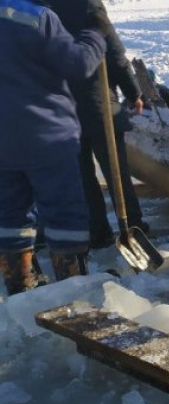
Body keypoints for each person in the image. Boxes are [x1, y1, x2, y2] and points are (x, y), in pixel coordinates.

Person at [0, 0, 107, 295]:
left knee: (10, 217)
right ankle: (72, 297)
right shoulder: (35, 18)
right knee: (64, 216)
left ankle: (20, 294)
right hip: (46, 136)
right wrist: (96, 37)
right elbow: (77, 63)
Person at [47, 0, 147, 250]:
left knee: (82, 175)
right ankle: (132, 225)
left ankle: (97, 230)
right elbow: (113, 52)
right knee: (116, 171)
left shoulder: (38, 7)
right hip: (97, 102)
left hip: (60, 106)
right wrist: (133, 92)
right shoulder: (88, 5)